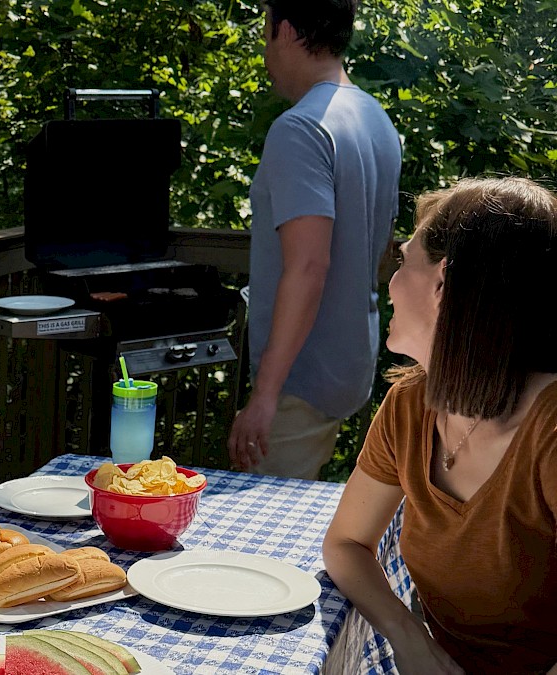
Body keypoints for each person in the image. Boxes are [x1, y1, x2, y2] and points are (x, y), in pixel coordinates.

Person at [323, 177, 557, 674]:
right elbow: (345, 544)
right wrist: (413, 643)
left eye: (404, 260)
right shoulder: (411, 405)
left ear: (443, 283)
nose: (388, 282)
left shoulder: (551, 432)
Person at [228, 0, 402, 479]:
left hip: (300, 380)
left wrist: (264, 397)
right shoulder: (375, 120)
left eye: (265, 33)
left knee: (263, 533)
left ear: (284, 30)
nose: (265, 53)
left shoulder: (301, 130)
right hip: (349, 366)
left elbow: (308, 267)